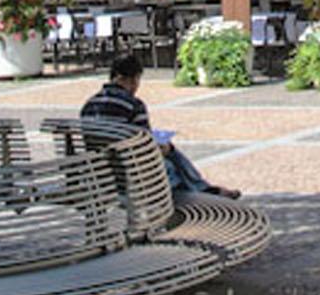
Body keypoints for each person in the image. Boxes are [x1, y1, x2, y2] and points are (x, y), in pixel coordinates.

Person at [81, 54, 239, 198]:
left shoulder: (88, 106)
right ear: (133, 79)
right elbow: (144, 146)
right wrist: (166, 147)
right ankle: (205, 190)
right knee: (170, 154)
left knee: (168, 155)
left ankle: (204, 189)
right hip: (130, 173)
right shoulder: (133, 105)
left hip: (99, 172)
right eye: (137, 80)